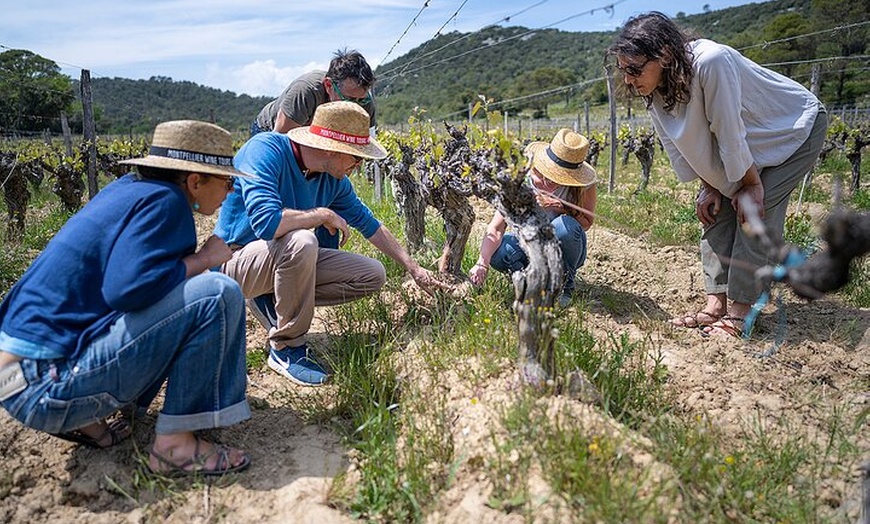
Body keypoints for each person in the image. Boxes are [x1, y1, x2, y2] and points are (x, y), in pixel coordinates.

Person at [0, 120, 256, 476]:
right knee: (216, 293)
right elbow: (129, 290)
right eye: (228, 181)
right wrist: (205, 259)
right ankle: (177, 447)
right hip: (46, 385)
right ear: (195, 181)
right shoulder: (167, 202)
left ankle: (90, 420)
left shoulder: (127, 190)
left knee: (175, 292)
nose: (231, 191)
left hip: (13, 381)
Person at [608, 12, 828, 338]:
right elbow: (682, 145)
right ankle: (716, 305)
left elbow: (729, 131)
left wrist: (751, 185)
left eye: (635, 69)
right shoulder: (653, 89)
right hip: (746, 148)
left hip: (792, 130)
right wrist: (709, 185)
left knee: (751, 215)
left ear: (665, 55)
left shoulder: (711, 62)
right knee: (714, 213)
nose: (628, 79)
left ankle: (740, 315)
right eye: (624, 70)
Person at [215, 101, 442, 387]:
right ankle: (286, 348)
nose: (358, 167)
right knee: (302, 240)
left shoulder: (333, 179)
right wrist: (322, 214)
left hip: (279, 261)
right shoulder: (266, 150)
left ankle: (273, 299)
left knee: (372, 275)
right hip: (233, 264)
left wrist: (413, 267)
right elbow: (267, 223)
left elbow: (369, 224)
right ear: (331, 148)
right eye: (356, 158)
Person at [469, 128, 598, 308]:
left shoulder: (583, 186)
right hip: (527, 245)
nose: (552, 180)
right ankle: (529, 281)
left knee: (564, 226)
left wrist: (560, 209)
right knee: (499, 252)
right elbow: (496, 228)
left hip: (562, 248)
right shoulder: (522, 182)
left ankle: (565, 282)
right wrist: (481, 264)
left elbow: (586, 223)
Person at [251, 48, 377, 136]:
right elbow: (280, 138)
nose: (354, 106)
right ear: (329, 85)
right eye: (348, 99)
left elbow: (365, 146)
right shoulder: (306, 91)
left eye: (359, 100)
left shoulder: (365, 102)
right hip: (271, 130)